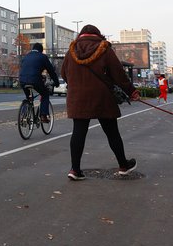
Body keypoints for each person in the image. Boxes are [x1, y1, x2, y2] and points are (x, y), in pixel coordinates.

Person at [60, 25, 140, 181]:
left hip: (78, 98)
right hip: (102, 97)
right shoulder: (104, 49)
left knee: (78, 132)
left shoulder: (71, 52)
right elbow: (119, 73)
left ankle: (75, 169)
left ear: (81, 35)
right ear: (97, 35)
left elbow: (64, 73)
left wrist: (77, 84)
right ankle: (123, 165)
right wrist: (131, 91)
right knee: (112, 132)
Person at [18, 42, 59, 122]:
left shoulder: (25, 57)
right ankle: (43, 116)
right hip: (35, 80)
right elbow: (51, 71)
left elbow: (27, 69)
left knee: (29, 98)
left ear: (33, 49)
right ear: (41, 50)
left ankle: (23, 116)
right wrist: (56, 82)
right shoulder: (43, 57)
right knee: (45, 94)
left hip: (22, 80)